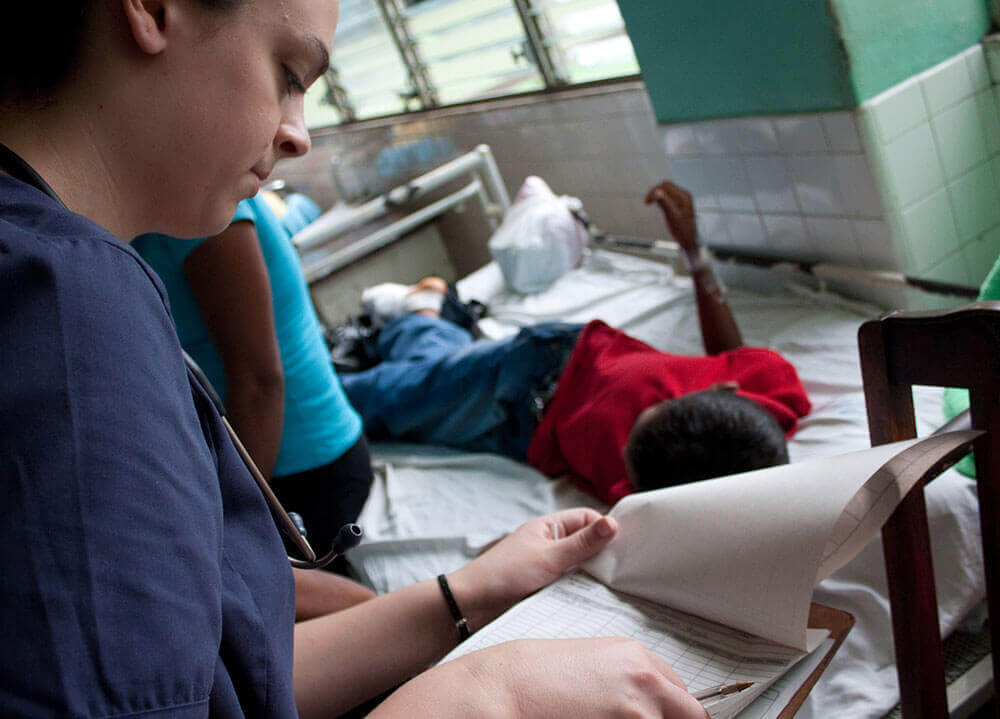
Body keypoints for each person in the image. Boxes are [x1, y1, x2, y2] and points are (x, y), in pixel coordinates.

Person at [0, 2, 708, 718]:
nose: (299, 134)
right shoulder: (65, 305)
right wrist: (491, 694)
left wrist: (465, 594)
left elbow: (226, 680)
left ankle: (424, 311)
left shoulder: (71, 283)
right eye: (287, 72)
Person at [343, 182, 811, 505]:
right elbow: (727, 355)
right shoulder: (770, 384)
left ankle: (425, 311)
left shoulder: (665, 487)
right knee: (358, 403)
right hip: (535, 372)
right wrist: (694, 253)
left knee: (415, 398)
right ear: (722, 391)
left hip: (526, 439)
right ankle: (424, 319)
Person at [134, 192, 377, 618]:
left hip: (299, 471)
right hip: (269, 458)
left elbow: (260, 383)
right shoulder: (162, 210)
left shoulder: (208, 214)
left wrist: (233, 524)